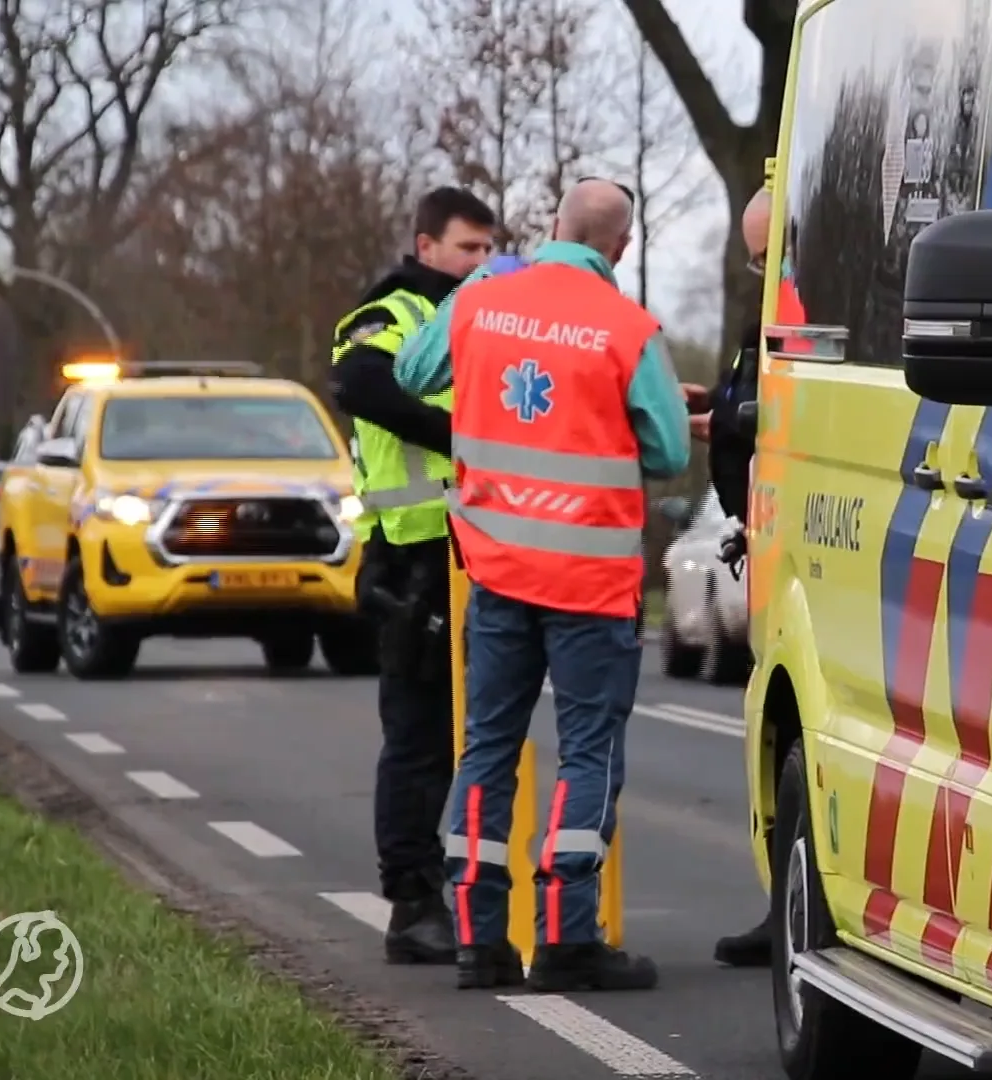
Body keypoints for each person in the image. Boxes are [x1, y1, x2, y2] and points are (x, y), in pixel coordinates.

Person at [393, 178, 699, 992]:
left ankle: (478, 939)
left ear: (552, 225)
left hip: (497, 573)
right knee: (587, 752)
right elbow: (669, 452)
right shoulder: (628, 329)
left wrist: (477, 290)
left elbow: (413, 370)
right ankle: (566, 937)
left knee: (488, 747)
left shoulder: (483, 299)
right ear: (620, 249)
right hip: (590, 584)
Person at [328, 186, 497, 965]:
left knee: (468, 737)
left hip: (471, 551)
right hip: (411, 556)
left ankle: (458, 893)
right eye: (468, 248)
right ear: (426, 247)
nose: (480, 261)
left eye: (489, 249)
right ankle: (411, 904)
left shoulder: (481, 314)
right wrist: (458, 435)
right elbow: (361, 384)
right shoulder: (391, 312)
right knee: (418, 740)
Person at [703, 188, 777, 968]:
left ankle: (788, 907)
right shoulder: (767, 322)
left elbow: (761, 412)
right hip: (766, 535)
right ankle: (782, 902)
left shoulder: (805, 315)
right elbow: (742, 406)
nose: (761, 269)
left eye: (766, 254)